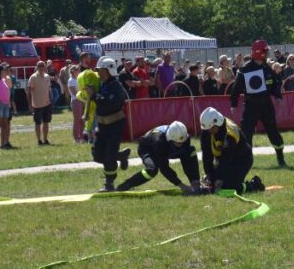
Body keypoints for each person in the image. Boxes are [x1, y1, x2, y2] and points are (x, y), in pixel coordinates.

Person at [229, 39, 287, 168]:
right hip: (250, 105)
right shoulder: (245, 69)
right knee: (246, 133)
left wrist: (278, 96)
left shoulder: (267, 68)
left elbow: (275, 84)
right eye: (265, 51)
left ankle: (281, 158)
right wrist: (234, 104)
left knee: (273, 131)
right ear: (259, 52)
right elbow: (236, 88)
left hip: (266, 105)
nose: (267, 54)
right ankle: (246, 161)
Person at [116, 121, 201, 194]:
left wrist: (194, 182)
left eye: (182, 142)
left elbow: (187, 160)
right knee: (152, 170)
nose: (180, 145)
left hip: (167, 148)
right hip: (146, 148)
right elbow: (164, 168)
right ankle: (126, 185)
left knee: (190, 152)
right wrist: (181, 185)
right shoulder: (159, 141)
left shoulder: (185, 137)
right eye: (177, 143)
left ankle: (195, 182)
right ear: (171, 138)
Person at [199, 107, 264, 194]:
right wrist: (209, 175)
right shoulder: (207, 130)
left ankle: (254, 185)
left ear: (217, 123)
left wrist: (219, 179)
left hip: (241, 160)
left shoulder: (229, 133)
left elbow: (226, 158)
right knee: (213, 183)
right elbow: (206, 156)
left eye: (211, 128)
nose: (209, 131)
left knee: (229, 187)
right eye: (207, 129)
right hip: (223, 159)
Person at [90, 57, 130, 192]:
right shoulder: (102, 84)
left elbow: (108, 103)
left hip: (115, 126)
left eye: (100, 70)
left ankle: (109, 184)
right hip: (102, 126)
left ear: (108, 71)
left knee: (108, 157)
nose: (98, 73)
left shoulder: (116, 87)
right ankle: (119, 156)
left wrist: (94, 96)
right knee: (97, 155)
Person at [26, 61, 54, 146]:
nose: (41, 67)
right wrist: (30, 104)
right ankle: (39, 140)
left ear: (45, 67)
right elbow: (29, 92)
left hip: (47, 103)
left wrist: (51, 101)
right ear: (37, 67)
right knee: (38, 123)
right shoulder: (33, 77)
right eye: (39, 66)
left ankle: (45, 139)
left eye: (43, 66)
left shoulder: (47, 76)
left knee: (46, 122)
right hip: (37, 104)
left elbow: (49, 89)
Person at [67, 65, 83, 143]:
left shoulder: (78, 79)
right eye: (76, 70)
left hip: (82, 100)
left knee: (82, 120)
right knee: (76, 120)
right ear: (72, 71)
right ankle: (76, 138)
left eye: (78, 70)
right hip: (76, 101)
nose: (78, 71)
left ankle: (82, 137)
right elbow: (74, 93)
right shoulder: (71, 80)